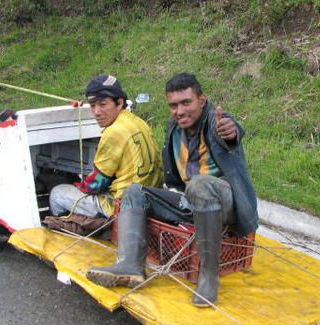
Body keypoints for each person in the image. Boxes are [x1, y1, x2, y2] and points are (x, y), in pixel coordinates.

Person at [87, 72, 258, 307]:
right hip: (190, 200)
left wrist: (231, 132)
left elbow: (231, 134)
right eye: (173, 105)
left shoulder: (216, 122)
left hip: (225, 203)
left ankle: (208, 277)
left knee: (199, 184)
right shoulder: (174, 127)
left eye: (186, 102)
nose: (180, 111)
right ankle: (130, 266)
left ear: (202, 100)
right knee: (136, 192)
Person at [48, 74, 162, 221]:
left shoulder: (113, 132)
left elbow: (96, 184)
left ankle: (75, 232)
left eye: (102, 104)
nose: (96, 112)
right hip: (151, 197)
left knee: (57, 193)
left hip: (122, 206)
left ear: (119, 103)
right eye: (93, 105)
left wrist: (79, 186)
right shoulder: (138, 121)